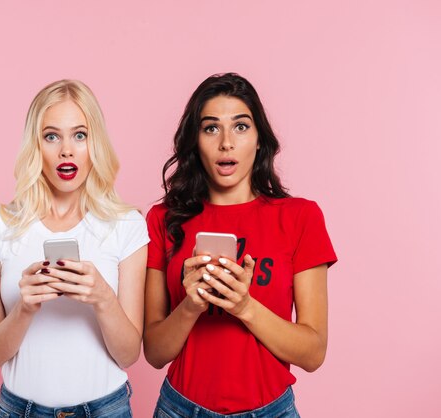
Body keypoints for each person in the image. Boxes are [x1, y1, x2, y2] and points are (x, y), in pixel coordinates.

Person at [144, 73, 337, 417]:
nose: (226, 143)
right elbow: (155, 353)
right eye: (211, 128)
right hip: (180, 408)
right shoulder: (163, 219)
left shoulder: (300, 217)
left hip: (270, 410)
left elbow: (313, 353)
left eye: (241, 127)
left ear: (260, 139)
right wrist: (191, 305)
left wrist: (244, 306)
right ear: (195, 141)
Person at [0, 80, 148, 418]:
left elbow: (127, 355)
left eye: (80, 135)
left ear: (95, 143)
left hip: (106, 410)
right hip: (20, 410)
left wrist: (102, 297)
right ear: (36, 145)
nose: (67, 150)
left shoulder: (128, 225)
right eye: (52, 136)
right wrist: (25, 308)